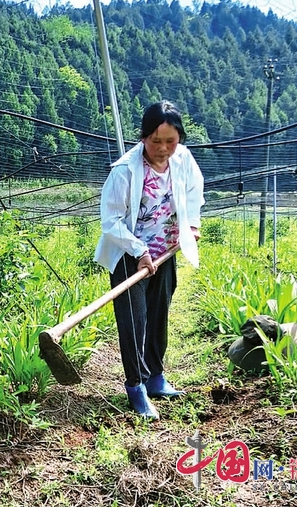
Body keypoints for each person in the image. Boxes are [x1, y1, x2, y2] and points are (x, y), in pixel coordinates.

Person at [94, 101, 204, 419]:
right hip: (130, 255)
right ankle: (136, 387)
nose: (163, 149)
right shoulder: (125, 171)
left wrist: (191, 223)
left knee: (159, 315)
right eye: (156, 141)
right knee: (135, 321)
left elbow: (195, 191)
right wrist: (139, 251)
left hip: (165, 251)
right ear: (143, 138)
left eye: (170, 141)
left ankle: (156, 378)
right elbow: (110, 220)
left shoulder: (182, 160)